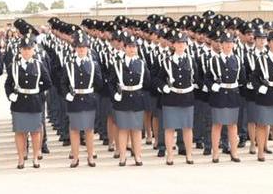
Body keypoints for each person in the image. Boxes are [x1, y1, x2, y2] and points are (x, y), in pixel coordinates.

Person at [4, 37, 52, 169]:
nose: (26, 52)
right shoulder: (13, 66)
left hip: (34, 102)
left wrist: (37, 92)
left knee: (35, 132)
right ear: (20, 50)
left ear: (33, 50)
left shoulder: (38, 64)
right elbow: (8, 84)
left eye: (29, 49)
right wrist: (10, 95)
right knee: (20, 132)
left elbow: (48, 82)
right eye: (24, 49)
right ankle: (21, 158)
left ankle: (36, 157)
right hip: (19, 103)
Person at [58, 36, 101, 168]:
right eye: (79, 47)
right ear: (75, 49)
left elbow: (99, 83)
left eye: (84, 47)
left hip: (88, 100)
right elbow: (63, 83)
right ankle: (75, 158)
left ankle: (90, 157)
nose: (82, 50)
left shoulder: (93, 64)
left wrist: (93, 95)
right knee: (74, 130)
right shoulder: (69, 65)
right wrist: (67, 95)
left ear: (88, 49)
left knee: (89, 130)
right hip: (74, 100)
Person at [157, 33, 197, 165]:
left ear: (186, 45)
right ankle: (170, 156)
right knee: (169, 128)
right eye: (178, 43)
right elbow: (158, 79)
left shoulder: (191, 60)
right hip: (171, 98)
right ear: (173, 45)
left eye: (183, 43)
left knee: (187, 128)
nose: (181, 45)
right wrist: (163, 87)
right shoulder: (166, 61)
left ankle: (189, 155)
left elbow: (197, 77)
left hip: (187, 97)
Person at [249, 31, 273, 161]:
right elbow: (254, 77)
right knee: (261, 125)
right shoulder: (261, 58)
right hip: (265, 95)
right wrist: (259, 87)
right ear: (269, 43)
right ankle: (260, 151)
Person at [205, 33, 243, 163]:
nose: (228, 45)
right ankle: (215, 153)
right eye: (225, 42)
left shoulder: (237, 59)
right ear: (221, 44)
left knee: (232, 125)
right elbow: (207, 78)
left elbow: (242, 78)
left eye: (230, 42)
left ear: (233, 44)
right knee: (217, 125)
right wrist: (212, 86)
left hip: (232, 94)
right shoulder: (213, 60)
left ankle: (234, 152)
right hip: (219, 95)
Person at [110, 35, 148, 167]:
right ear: (124, 48)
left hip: (137, 99)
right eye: (130, 47)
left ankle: (138, 156)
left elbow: (147, 82)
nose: (132, 49)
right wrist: (115, 94)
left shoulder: (141, 64)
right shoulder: (117, 64)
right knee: (123, 129)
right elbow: (111, 82)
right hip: (123, 99)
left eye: (134, 47)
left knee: (137, 130)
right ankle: (122, 157)